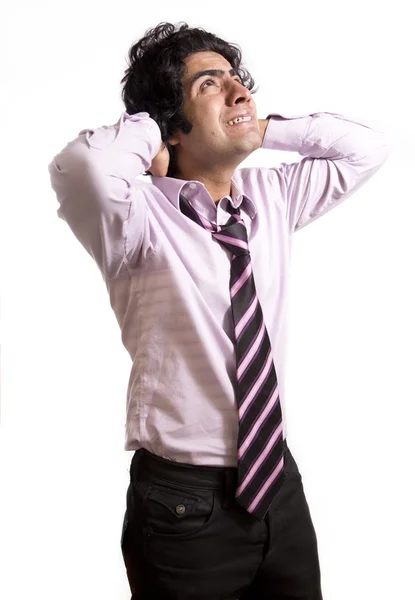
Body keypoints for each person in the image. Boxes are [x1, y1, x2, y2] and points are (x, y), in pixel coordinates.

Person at [48, 21, 390, 600]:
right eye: (210, 85)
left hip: (277, 481)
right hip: (183, 506)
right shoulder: (136, 223)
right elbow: (82, 167)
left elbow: (367, 149)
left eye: (239, 80)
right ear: (170, 126)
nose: (240, 93)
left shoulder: (271, 199)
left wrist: (257, 128)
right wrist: (149, 127)